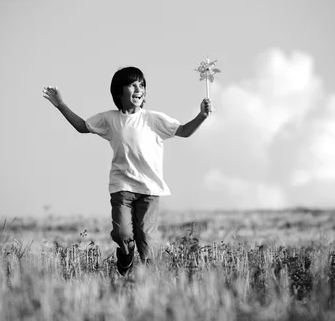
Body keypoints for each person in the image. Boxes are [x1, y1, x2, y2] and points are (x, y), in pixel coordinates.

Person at [42, 66, 212, 275]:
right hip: (122, 188)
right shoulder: (110, 119)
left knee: (146, 239)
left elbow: (184, 131)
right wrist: (60, 104)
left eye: (141, 85)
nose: (138, 89)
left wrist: (202, 116)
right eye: (132, 85)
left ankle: (148, 279)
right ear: (119, 93)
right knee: (123, 233)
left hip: (149, 190)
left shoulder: (154, 119)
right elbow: (81, 126)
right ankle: (125, 255)